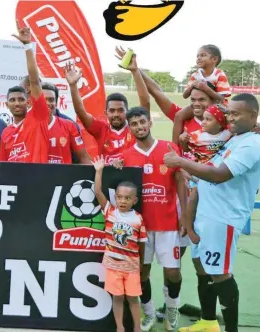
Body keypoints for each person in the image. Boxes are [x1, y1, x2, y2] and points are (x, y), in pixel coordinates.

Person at [165, 94, 260, 332]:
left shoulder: (252, 144)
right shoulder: (236, 138)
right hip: (206, 214)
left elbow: (219, 174)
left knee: (220, 273)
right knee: (201, 265)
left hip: (223, 218)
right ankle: (209, 322)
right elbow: (207, 172)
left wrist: (180, 161)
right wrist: (190, 220)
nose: (230, 118)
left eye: (236, 113)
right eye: (229, 113)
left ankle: (232, 329)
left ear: (253, 116)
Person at [115, 107, 187, 331]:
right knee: (141, 273)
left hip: (168, 224)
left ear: (149, 123)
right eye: (134, 124)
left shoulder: (169, 148)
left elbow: (181, 183)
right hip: (140, 228)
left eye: (142, 122)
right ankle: (148, 314)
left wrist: (184, 215)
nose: (139, 127)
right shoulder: (127, 155)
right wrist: (116, 167)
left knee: (172, 272)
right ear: (130, 128)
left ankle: (171, 309)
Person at [93, 155, 145, 332]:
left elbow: (142, 245)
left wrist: (142, 266)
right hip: (113, 266)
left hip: (131, 268)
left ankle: (137, 327)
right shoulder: (109, 211)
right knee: (117, 298)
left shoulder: (138, 219)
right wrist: (99, 171)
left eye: (127, 198)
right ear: (115, 198)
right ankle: (120, 327)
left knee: (132, 299)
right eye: (120, 197)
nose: (123, 201)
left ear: (134, 200)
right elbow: (98, 192)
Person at [0, 25, 49, 163]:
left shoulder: (38, 116)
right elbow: (2, 164)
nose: (17, 103)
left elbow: (34, 81)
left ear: (28, 102)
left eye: (21, 99)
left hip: (36, 181)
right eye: (12, 100)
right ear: (6, 104)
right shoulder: (5, 132)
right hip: (12, 184)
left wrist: (27, 46)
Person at [173, 45, 231, 144]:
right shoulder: (195, 75)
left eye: (203, 55)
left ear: (214, 59)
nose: (198, 58)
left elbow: (221, 99)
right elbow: (185, 95)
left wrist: (207, 89)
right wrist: (192, 86)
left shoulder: (219, 74)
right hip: (200, 104)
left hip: (218, 106)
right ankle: (174, 145)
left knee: (231, 118)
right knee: (179, 115)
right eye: (197, 56)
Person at [41, 79, 91, 165]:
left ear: (56, 103)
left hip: (63, 177)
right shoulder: (26, 126)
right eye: (43, 99)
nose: (48, 103)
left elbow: (84, 158)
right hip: (36, 176)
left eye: (51, 99)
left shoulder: (69, 125)